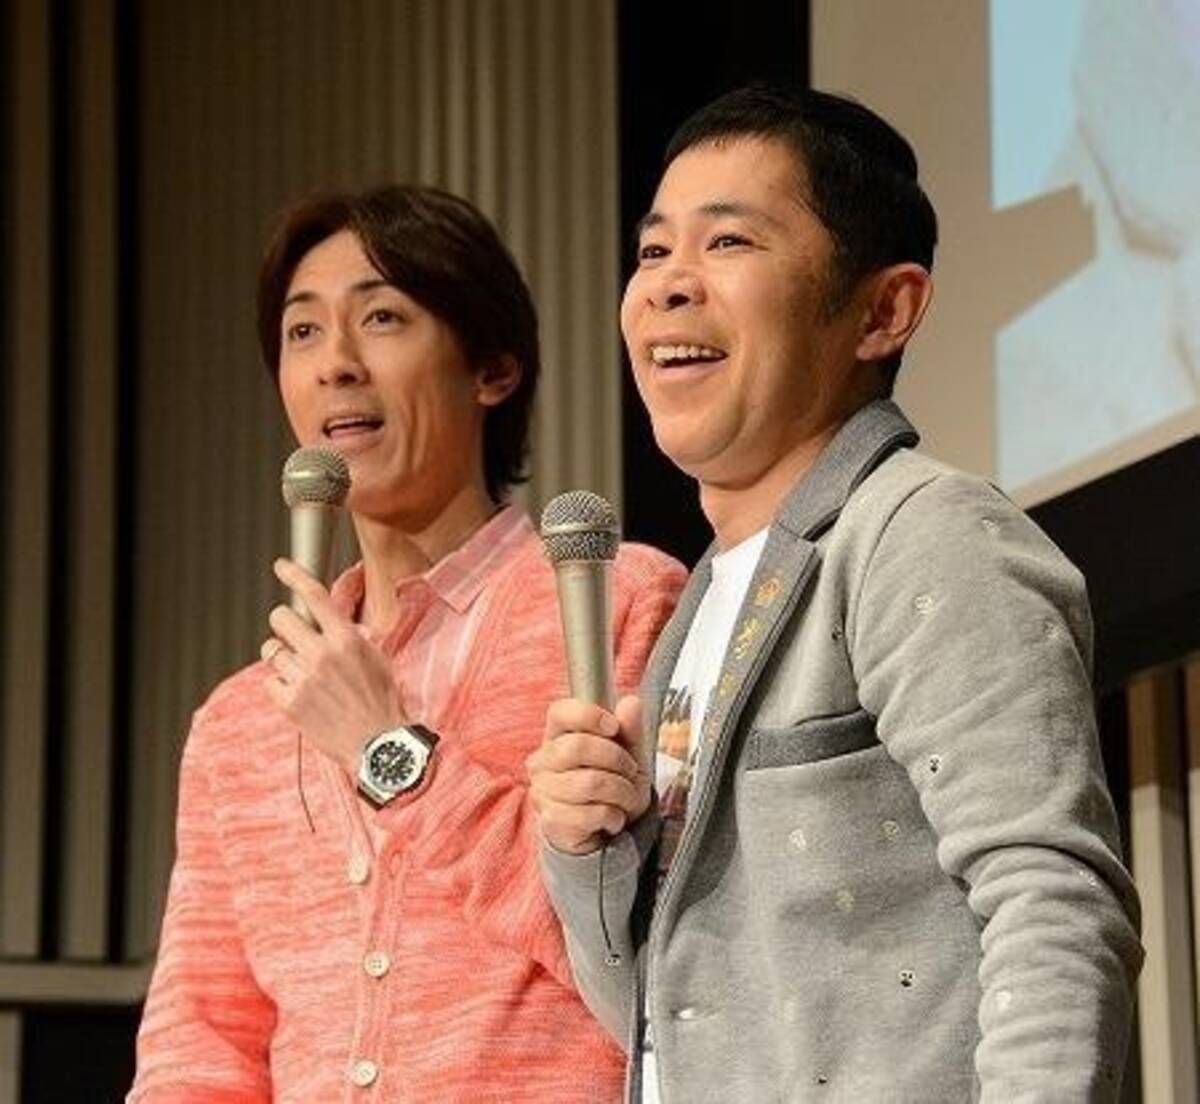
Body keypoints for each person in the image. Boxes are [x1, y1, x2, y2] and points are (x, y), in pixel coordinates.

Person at [528, 86, 1143, 1102]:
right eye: (653, 250)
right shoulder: (700, 607)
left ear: (883, 311)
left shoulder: (925, 534)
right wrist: (587, 850)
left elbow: (1052, 905)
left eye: (729, 242)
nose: (669, 285)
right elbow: (660, 1019)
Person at [129, 184, 686, 1102]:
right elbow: (203, 1039)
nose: (335, 365)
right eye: (303, 332)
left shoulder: (616, 604)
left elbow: (659, 960)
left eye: (382, 318)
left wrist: (388, 750)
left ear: (492, 367)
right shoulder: (240, 722)